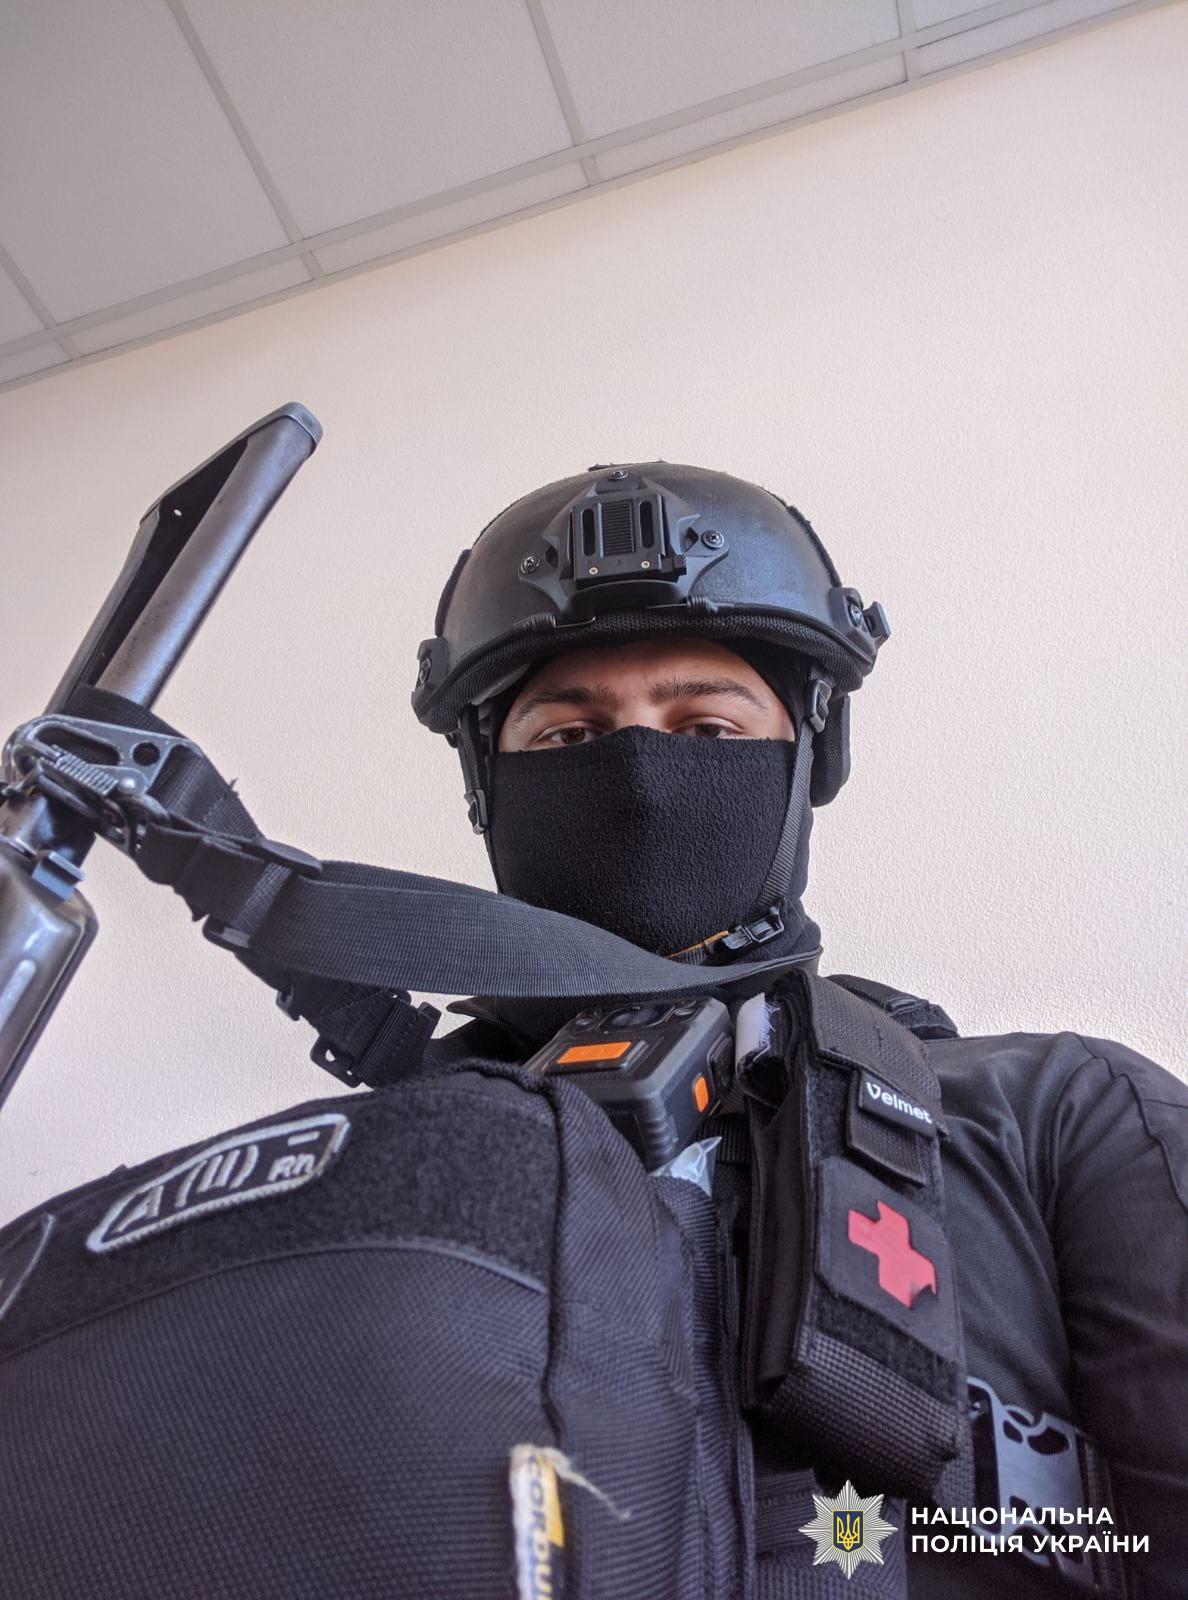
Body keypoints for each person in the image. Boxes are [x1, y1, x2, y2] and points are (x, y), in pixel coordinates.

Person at [411, 461, 1187, 1597]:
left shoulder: (1062, 1117)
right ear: (489, 785)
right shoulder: (394, 1164)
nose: (641, 780)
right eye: (569, 738)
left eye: (708, 725)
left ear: (810, 754)